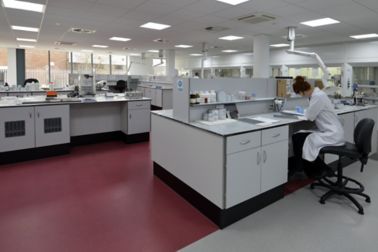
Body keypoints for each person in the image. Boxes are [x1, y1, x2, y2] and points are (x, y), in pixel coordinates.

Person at [291, 76, 345, 178]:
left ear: (302, 91)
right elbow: (311, 112)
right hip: (330, 130)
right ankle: (305, 169)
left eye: (299, 93)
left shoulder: (318, 96)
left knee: (301, 139)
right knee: (298, 137)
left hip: (332, 134)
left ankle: (320, 169)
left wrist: (303, 112)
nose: (301, 96)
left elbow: (310, 116)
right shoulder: (318, 95)